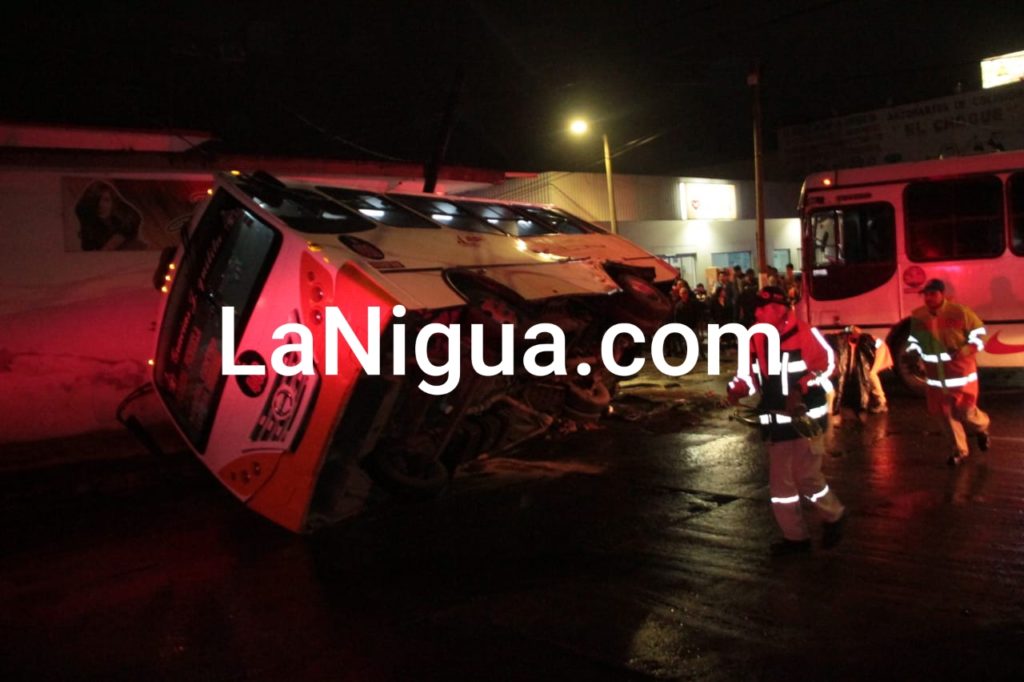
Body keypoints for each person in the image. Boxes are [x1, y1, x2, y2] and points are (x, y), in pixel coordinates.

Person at [727, 286, 847, 555]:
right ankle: (795, 539)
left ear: (778, 308)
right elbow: (748, 375)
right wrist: (736, 389)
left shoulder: (804, 333)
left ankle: (834, 515)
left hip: (807, 418)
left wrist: (802, 386)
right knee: (781, 484)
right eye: (755, 310)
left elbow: (829, 365)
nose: (756, 314)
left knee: (806, 476)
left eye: (761, 308)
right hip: (778, 421)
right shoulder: (754, 337)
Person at [907, 279, 991, 466]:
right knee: (945, 414)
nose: (928, 298)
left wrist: (965, 351)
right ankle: (959, 451)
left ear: (942, 294)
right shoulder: (918, 317)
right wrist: (913, 353)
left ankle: (982, 427)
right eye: (926, 295)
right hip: (936, 377)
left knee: (966, 412)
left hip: (961, 374)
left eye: (932, 294)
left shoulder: (960, 312)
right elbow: (914, 341)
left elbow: (979, 337)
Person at [830, 325, 892, 419]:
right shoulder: (849, 342)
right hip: (876, 350)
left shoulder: (863, 341)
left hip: (880, 350)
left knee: (871, 374)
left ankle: (881, 402)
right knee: (866, 374)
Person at [75, 180, 146, 251]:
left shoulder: (126, 213)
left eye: (106, 200)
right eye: (96, 200)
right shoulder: (86, 214)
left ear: (113, 201)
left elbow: (133, 219)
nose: (101, 205)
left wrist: (114, 242)